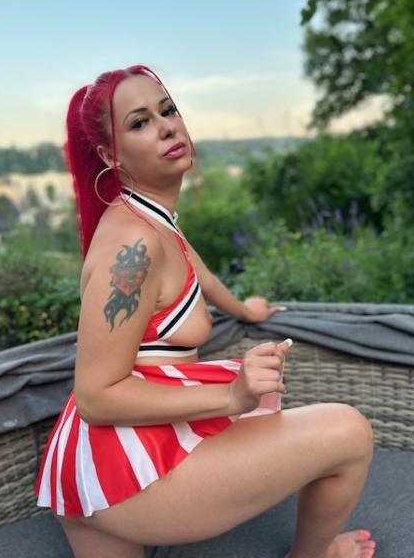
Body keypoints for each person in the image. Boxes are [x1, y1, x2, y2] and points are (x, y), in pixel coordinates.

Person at [35, 65, 376, 558]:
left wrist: (245, 310)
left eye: (168, 110)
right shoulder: (134, 244)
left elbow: (200, 275)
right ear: (110, 156)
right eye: (140, 122)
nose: (167, 126)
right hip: (128, 474)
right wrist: (231, 396)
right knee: (348, 430)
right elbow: (95, 396)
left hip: (96, 469)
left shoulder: (151, 221)